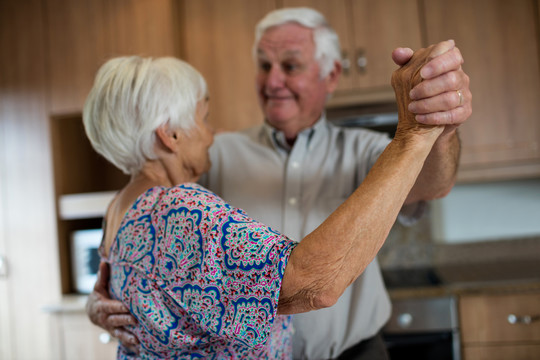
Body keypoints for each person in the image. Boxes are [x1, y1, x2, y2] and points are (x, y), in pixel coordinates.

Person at [87, 7, 471, 360]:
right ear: (170, 134)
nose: (273, 81)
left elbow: (431, 185)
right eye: (263, 65)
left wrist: (441, 131)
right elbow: (308, 283)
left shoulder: (366, 151)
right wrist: (99, 301)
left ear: (331, 75)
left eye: (290, 66)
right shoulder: (204, 164)